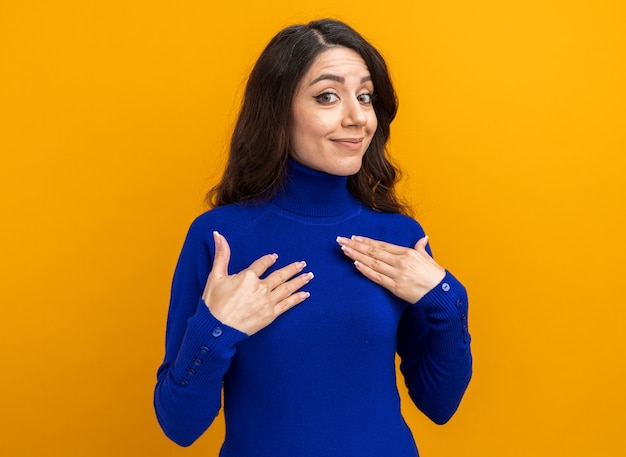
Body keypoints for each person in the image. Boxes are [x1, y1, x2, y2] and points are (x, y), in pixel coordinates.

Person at [154, 18, 472, 456]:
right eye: (327, 96)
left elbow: (439, 404)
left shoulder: (398, 237)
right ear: (278, 110)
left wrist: (448, 300)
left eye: (365, 96)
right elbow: (179, 425)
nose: (358, 116)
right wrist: (216, 329)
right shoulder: (221, 239)